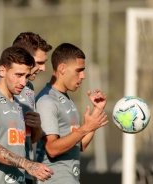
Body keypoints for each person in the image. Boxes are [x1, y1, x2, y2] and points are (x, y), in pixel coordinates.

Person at [0, 32, 53, 184]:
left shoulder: (25, 92)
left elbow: (25, 140)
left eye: (26, 76)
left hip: (22, 176)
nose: (43, 68)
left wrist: (37, 127)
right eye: (39, 62)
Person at [35, 43, 109, 183]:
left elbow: (80, 145)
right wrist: (85, 128)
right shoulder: (47, 101)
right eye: (79, 70)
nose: (83, 76)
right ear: (62, 68)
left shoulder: (67, 100)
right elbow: (51, 148)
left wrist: (97, 110)